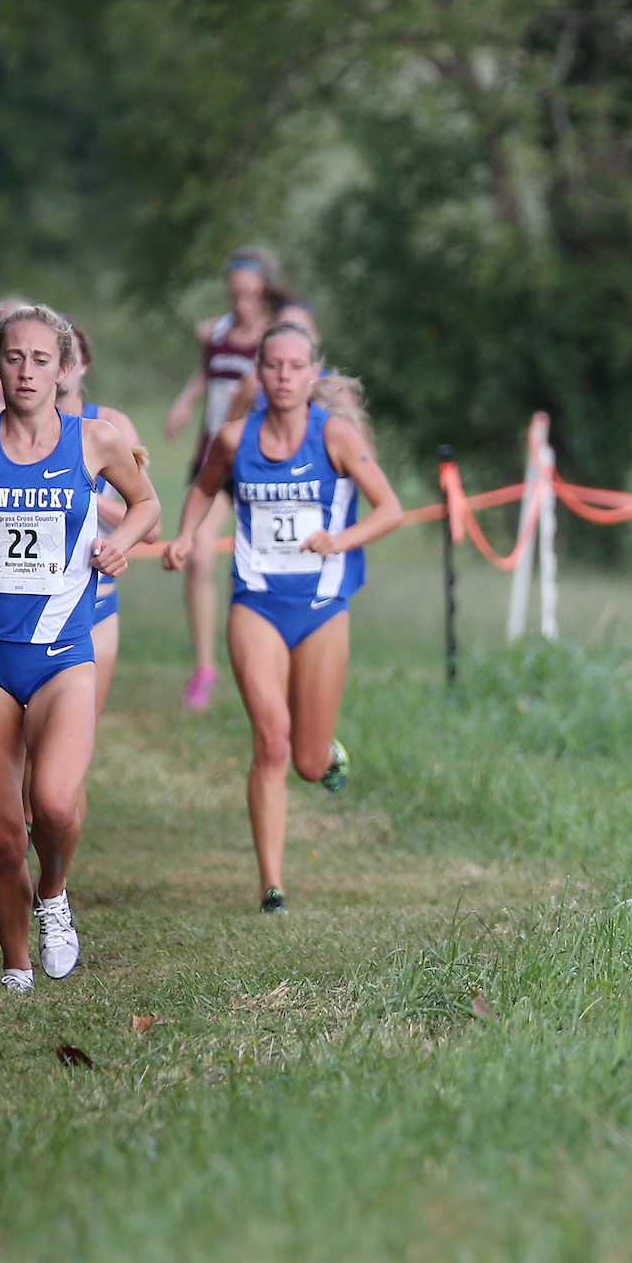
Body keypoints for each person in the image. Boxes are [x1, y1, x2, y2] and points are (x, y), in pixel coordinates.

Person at [0, 303, 159, 991]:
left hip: (62, 655)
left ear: (64, 369)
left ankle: (54, 897)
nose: (25, 371)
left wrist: (119, 545)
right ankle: (16, 968)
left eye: (41, 359)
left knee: (51, 804)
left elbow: (148, 504)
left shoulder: (95, 441)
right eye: (13, 357)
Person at [164, 320, 402, 915]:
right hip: (257, 603)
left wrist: (341, 540)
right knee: (271, 739)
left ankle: (326, 754)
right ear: (260, 373)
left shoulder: (336, 437)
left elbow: (391, 509)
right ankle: (272, 885)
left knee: (306, 760)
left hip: (323, 608)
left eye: (297, 367)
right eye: (273, 366)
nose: (285, 377)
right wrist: (185, 535)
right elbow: (202, 488)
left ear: (312, 372)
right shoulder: (232, 438)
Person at [163, 248, 280, 710]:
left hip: (260, 466)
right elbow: (209, 371)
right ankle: (205, 668)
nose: (243, 304)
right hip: (213, 460)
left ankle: (266, 660)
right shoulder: (216, 332)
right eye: (236, 295)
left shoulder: (278, 340)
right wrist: (184, 401)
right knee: (200, 558)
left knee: (264, 567)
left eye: (252, 295)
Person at [59, 322, 148, 711]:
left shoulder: (111, 426)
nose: (61, 365)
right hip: (20, 598)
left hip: (96, 598)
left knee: (78, 728)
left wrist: (79, 500)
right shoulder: (1, 427)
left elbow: (151, 522)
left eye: (69, 355)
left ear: (85, 365)